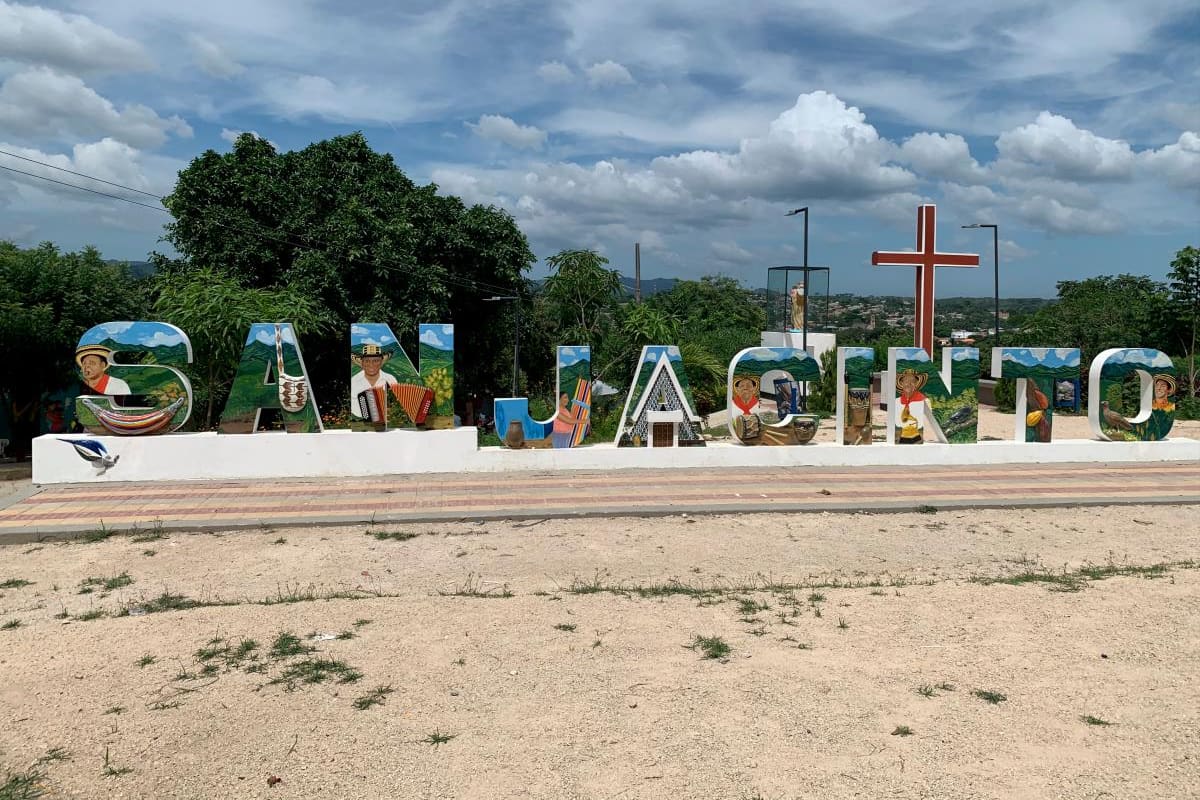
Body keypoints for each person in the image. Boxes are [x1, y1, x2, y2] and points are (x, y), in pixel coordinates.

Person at [349, 344, 398, 419]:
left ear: (381, 362)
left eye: (375, 361)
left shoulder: (391, 379)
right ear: (362, 363)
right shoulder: (353, 381)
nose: (371, 365)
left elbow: (396, 403)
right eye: (367, 361)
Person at [893, 369, 927, 444]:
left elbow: (922, 424)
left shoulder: (923, 400)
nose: (909, 383)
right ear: (901, 383)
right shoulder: (896, 401)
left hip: (918, 439)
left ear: (916, 383)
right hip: (903, 438)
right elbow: (897, 423)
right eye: (906, 381)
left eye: (912, 381)